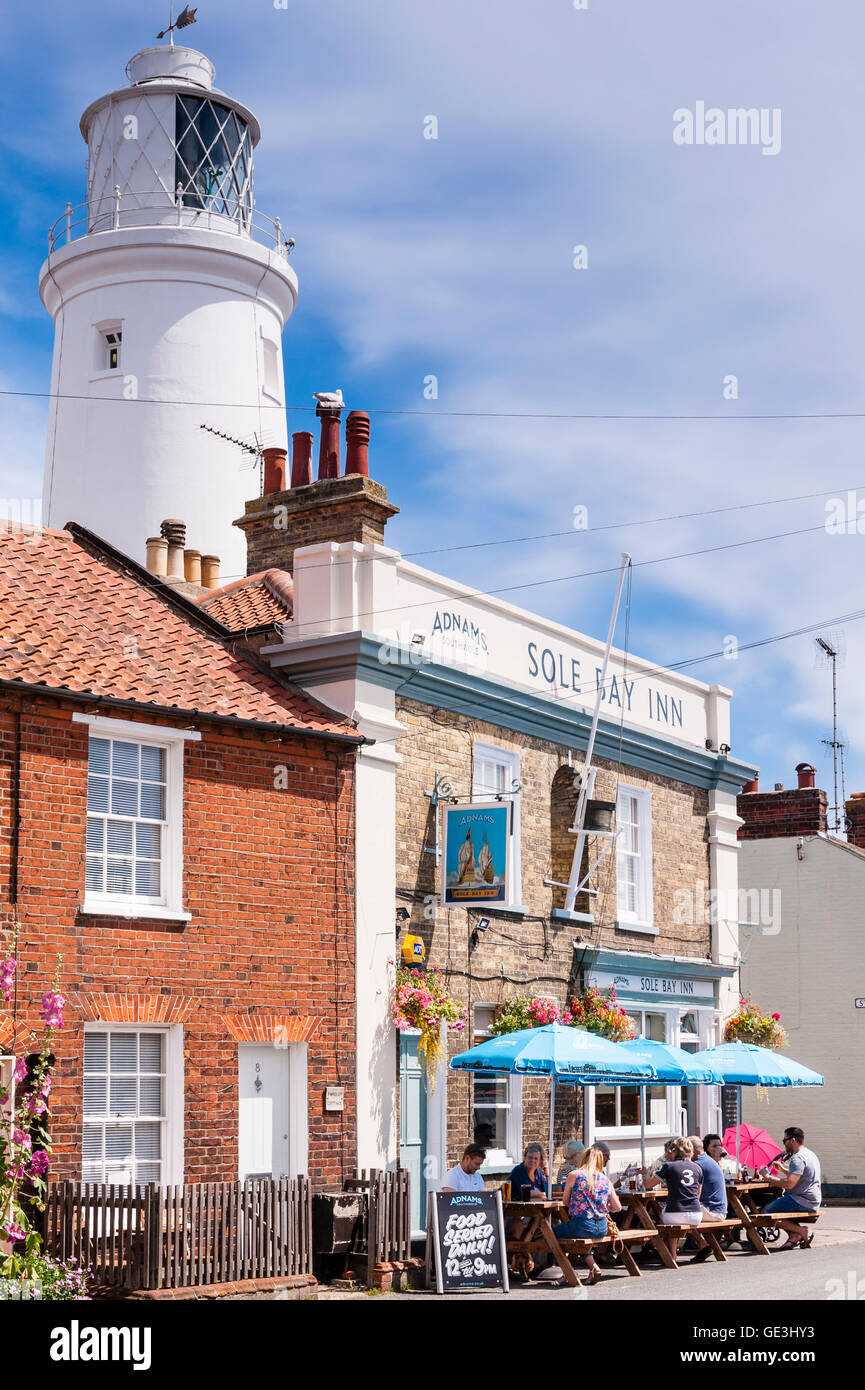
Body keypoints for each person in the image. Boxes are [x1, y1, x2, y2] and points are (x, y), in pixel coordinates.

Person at [552, 1146, 622, 1286]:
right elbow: (617, 1207)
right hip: (602, 1227)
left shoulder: (575, 1175)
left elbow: (566, 1201)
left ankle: (569, 1271)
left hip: (582, 1225)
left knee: (550, 1234)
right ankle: (590, 1268)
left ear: (584, 1158)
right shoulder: (606, 1180)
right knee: (579, 1239)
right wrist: (601, 1207)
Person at [758, 1126, 822, 1250]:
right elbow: (801, 1177)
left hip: (802, 1200)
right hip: (811, 1199)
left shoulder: (797, 1158)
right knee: (779, 1204)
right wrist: (782, 1169)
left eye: (784, 1141)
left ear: (792, 1140)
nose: (784, 1144)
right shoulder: (809, 1154)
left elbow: (789, 1184)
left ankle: (800, 1231)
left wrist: (767, 1176)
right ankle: (794, 1235)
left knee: (765, 1213)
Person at [645, 1137, 703, 1262]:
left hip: (675, 1213)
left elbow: (648, 1185)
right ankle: (670, 1252)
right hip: (696, 1214)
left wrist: (645, 1174)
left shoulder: (668, 1166)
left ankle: (671, 1253)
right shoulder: (697, 1168)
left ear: (674, 1150)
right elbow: (698, 1194)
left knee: (665, 1214)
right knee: (671, 1214)